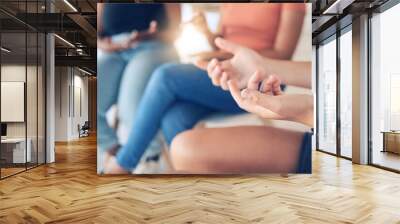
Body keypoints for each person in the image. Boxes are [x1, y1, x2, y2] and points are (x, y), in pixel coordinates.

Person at [104, 3, 307, 173]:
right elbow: (220, 46)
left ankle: (124, 163)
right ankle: (190, 183)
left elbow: (282, 54)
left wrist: (239, 60)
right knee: (174, 116)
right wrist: (206, 31)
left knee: (166, 76)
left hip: (262, 79)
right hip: (227, 72)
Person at [170, 38, 313, 173]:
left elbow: (283, 51)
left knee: (166, 76)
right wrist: (263, 66)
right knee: (180, 133)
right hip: (318, 131)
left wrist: (306, 112)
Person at [97, 4, 180, 159]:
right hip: (114, 50)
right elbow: (97, 35)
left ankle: (151, 157)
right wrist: (104, 45)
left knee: (130, 108)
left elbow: (175, 33)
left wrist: (149, 35)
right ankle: (116, 154)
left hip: (153, 47)